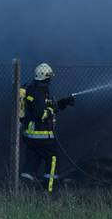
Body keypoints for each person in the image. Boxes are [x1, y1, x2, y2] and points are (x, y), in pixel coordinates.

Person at [19, 62, 74, 194]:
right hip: (42, 136)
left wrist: (62, 103)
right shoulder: (40, 91)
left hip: (30, 136)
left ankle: (22, 189)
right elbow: (42, 114)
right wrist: (54, 108)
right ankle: (49, 191)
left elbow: (47, 107)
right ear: (45, 77)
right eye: (49, 78)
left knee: (32, 161)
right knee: (53, 159)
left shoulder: (32, 88)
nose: (50, 80)